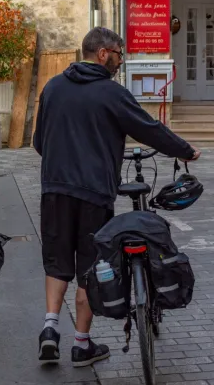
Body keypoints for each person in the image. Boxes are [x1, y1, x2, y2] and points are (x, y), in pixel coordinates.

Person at [33, 27, 200, 368]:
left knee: (57, 260)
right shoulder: (111, 93)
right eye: (119, 54)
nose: (120, 62)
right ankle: (81, 345)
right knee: (89, 267)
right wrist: (186, 151)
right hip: (94, 193)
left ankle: (50, 329)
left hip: (55, 190)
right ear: (103, 53)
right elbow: (148, 129)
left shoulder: (52, 88)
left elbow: (38, 141)